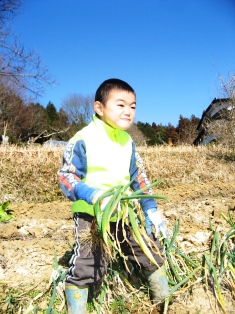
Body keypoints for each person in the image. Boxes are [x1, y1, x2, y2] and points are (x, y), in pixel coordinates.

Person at [58, 78, 170, 313]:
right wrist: (96, 195)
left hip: (123, 212)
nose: (128, 111)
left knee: (148, 249)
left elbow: (139, 178)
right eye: (120, 105)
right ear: (99, 108)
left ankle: (166, 302)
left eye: (133, 106)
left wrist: (151, 208)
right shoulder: (83, 140)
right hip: (92, 216)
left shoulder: (127, 142)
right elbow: (67, 178)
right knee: (88, 264)